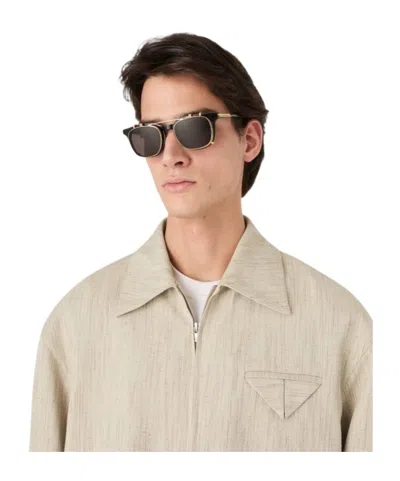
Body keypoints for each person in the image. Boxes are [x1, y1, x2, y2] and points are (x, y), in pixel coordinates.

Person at [29, 32, 372, 452]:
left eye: (194, 128)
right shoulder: (76, 324)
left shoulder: (341, 328)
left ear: (249, 140)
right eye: (151, 135)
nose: (170, 154)